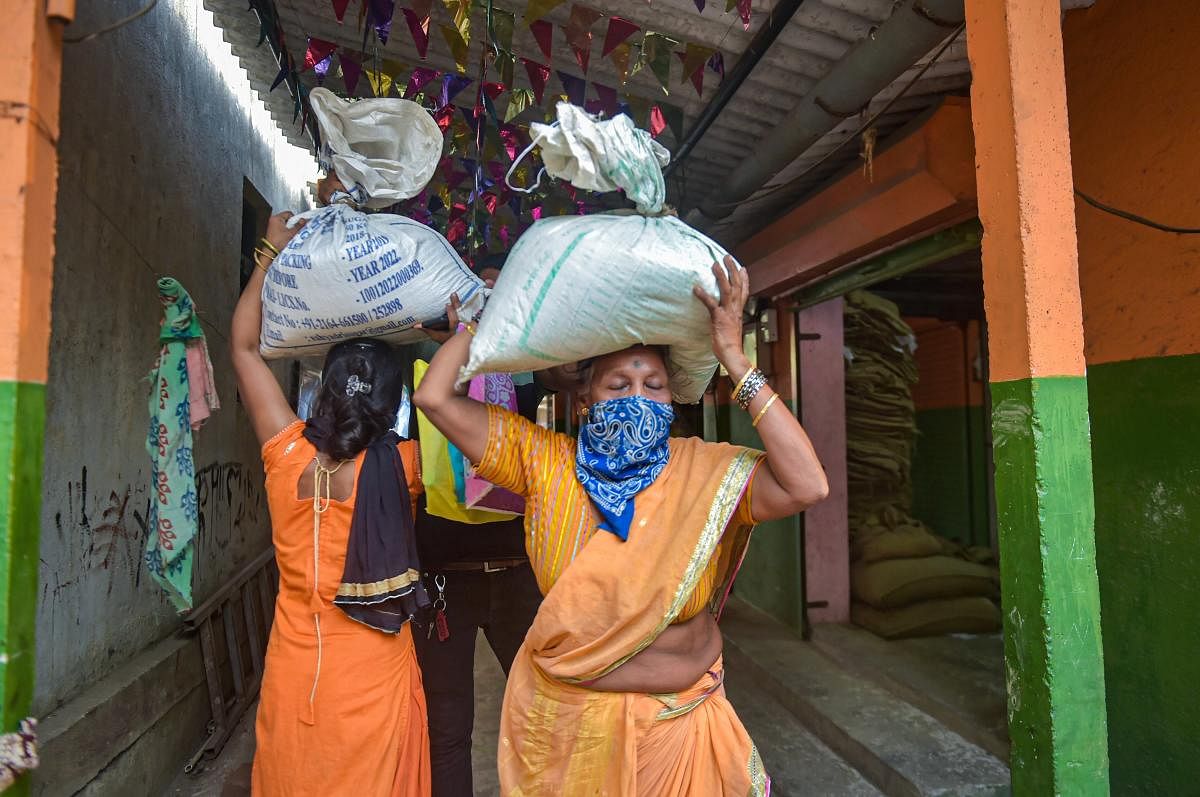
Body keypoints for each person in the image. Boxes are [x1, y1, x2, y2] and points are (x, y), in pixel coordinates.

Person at [413, 255, 829, 795]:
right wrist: (479, 325)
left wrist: (734, 358)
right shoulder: (543, 460)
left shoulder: (702, 467)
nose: (637, 399)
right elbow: (433, 397)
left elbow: (807, 485)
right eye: (618, 385)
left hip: (682, 727)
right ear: (584, 398)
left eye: (654, 385)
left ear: (672, 398)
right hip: (573, 728)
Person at [232, 209, 431, 796]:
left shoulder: (284, 451)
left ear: (320, 387)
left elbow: (244, 347)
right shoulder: (407, 467)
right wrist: (457, 334)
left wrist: (268, 252)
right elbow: (451, 403)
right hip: (372, 673)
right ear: (398, 401)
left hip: (296, 669)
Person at [407, 269, 545, 797]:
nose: (485, 304)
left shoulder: (526, 368)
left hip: (516, 577)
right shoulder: (422, 367)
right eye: (477, 294)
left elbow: (568, 373)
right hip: (445, 583)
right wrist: (458, 338)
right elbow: (427, 399)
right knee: (447, 729)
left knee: (544, 715)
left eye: (497, 293)